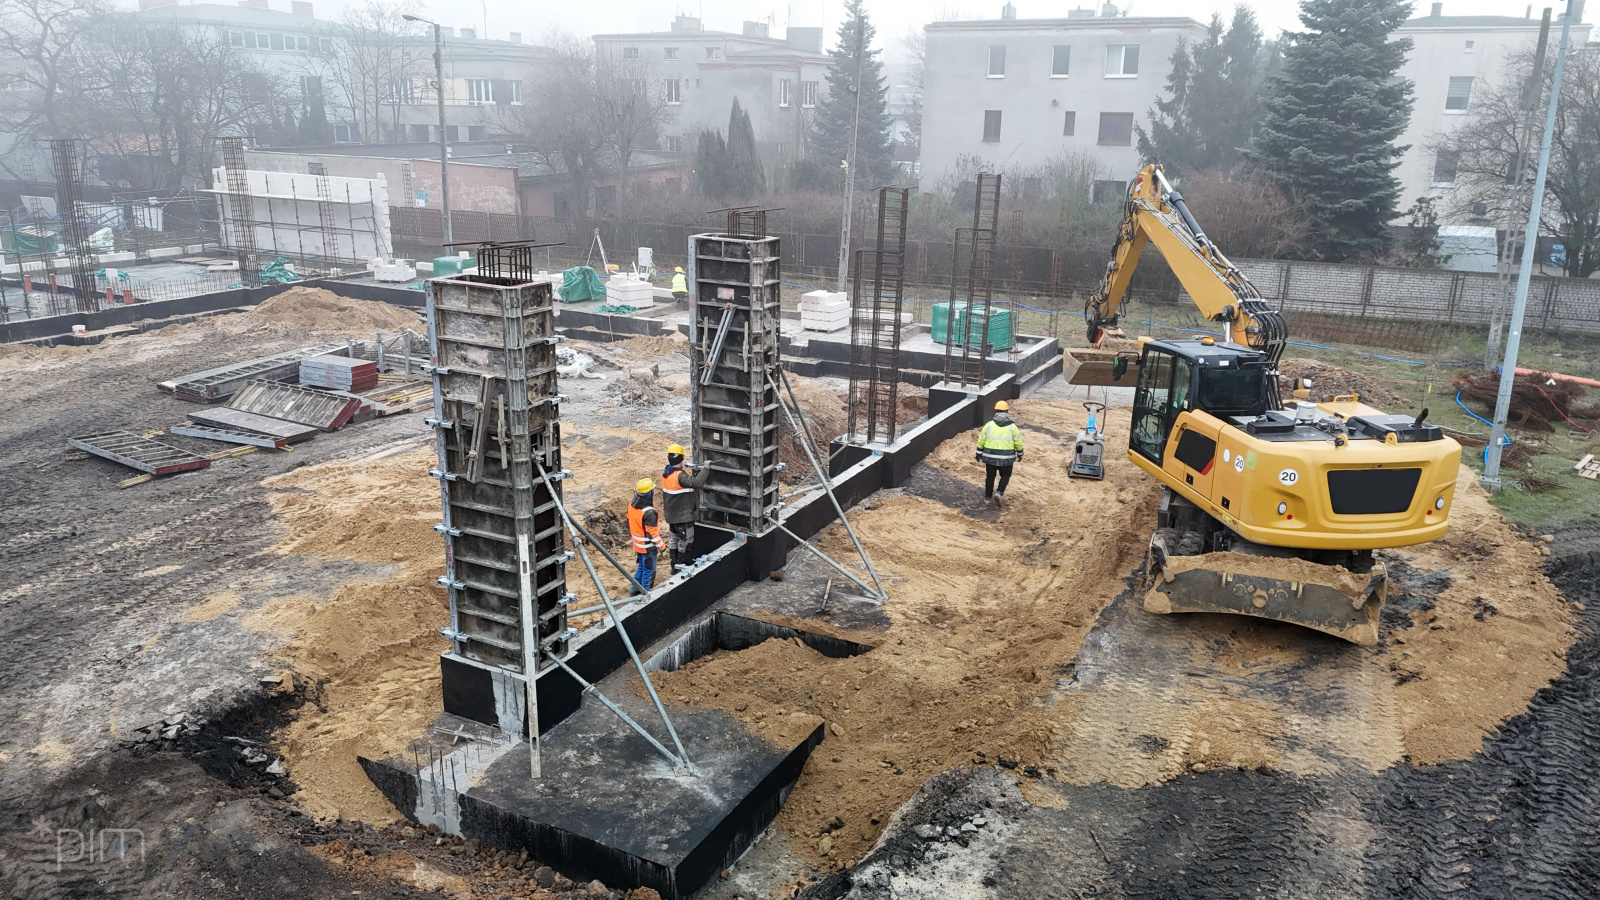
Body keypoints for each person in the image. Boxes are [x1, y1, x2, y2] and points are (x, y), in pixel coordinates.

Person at [660, 443, 708, 575]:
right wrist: (706, 469)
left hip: (672, 517)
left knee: (674, 540)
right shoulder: (679, 476)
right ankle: (682, 567)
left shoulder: (666, 474)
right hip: (683, 517)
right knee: (686, 541)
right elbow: (696, 483)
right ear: (680, 459)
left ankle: (674, 567)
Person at [975, 400, 1024, 506]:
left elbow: (981, 439)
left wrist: (978, 452)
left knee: (990, 476)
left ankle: (988, 498)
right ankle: (999, 492)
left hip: (990, 457)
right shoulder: (1012, 427)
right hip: (1006, 458)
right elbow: (1018, 442)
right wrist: (1020, 453)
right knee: (1006, 475)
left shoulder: (989, 425)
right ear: (1007, 411)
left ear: (996, 411)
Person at [627, 479, 666, 592]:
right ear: (649, 493)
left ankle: (634, 591)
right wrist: (662, 547)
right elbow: (653, 534)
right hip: (647, 547)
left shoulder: (631, 506)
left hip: (637, 546)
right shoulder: (649, 512)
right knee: (649, 571)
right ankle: (646, 594)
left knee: (641, 568)